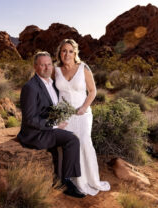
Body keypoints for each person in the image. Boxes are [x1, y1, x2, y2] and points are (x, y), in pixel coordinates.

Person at [17, 51, 85, 198]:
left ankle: (68, 176)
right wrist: (54, 125)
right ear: (36, 67)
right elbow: (30, 119)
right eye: (42, 65)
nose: (47, 68)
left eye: (49, 64)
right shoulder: (30, 87)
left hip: (48, 126)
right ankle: (66, 182)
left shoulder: (52, 84)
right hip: (36, 133)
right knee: (72, 140)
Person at [54, 39, 110, 196]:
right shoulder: (56, 70)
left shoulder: (83, 68)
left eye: (70, 51)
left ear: (75, 53)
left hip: (82, 113)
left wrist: (84, 107)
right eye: (64, 51)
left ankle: (89, 180)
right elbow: (50, 91)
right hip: (64, 114)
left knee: (84, 141)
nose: (67, 54)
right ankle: (70, 181)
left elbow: (92, 91)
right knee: (68, 145)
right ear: (60, 53)